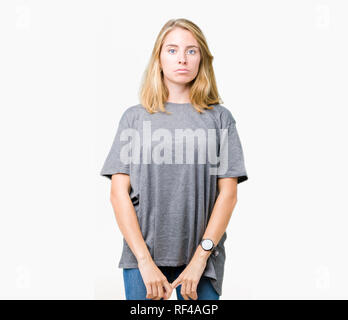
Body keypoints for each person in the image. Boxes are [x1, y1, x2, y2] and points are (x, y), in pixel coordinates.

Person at [100, 18, 249, 300]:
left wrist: (200, 259)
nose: (182, 58)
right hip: (142, 262)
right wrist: (145, 262)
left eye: (191, 51)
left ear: (202, 58)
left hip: (202, 265)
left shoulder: (220, 119)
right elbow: (118, 194)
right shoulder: (134, 118)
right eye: (172, 50)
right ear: (158, 57)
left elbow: (228, 194)